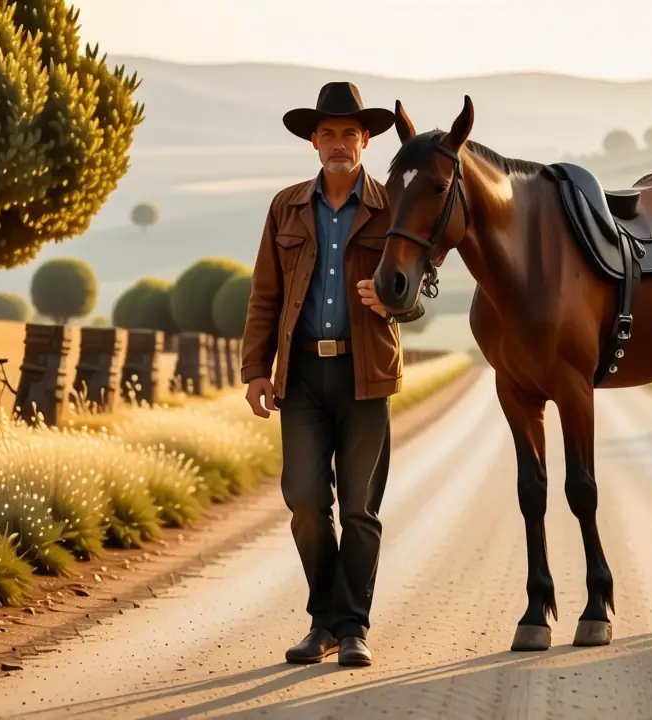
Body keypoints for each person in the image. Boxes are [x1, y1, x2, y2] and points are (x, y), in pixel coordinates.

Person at [239, 81, 426, 668]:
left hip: (366, 375)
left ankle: (350, 628)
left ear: (366, 140)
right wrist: (255, 369)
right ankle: (325, 619)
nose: (339, 142)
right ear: (313, 143)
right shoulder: (285, 206)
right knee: (303, 499)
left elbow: (419, 295)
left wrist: (393, 302)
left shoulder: (392, 206)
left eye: (350, 132)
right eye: (328, 133)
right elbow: (264, 295)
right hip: (300, 380)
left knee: (359, 508)